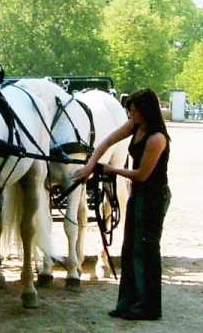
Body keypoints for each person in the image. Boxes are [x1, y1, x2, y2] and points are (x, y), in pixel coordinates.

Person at [74, 88, 171, 321]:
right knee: (130, 249)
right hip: (139, 196)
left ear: (145, 111)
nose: (131, 114)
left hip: (153, 197)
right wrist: (91, 164)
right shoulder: (136, 126)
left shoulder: (157, 139)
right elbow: (106, 141)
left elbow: (141, 174)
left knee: (146, 250)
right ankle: (128, 303)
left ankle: (147, 307)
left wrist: (110, 169)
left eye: (134, 111)